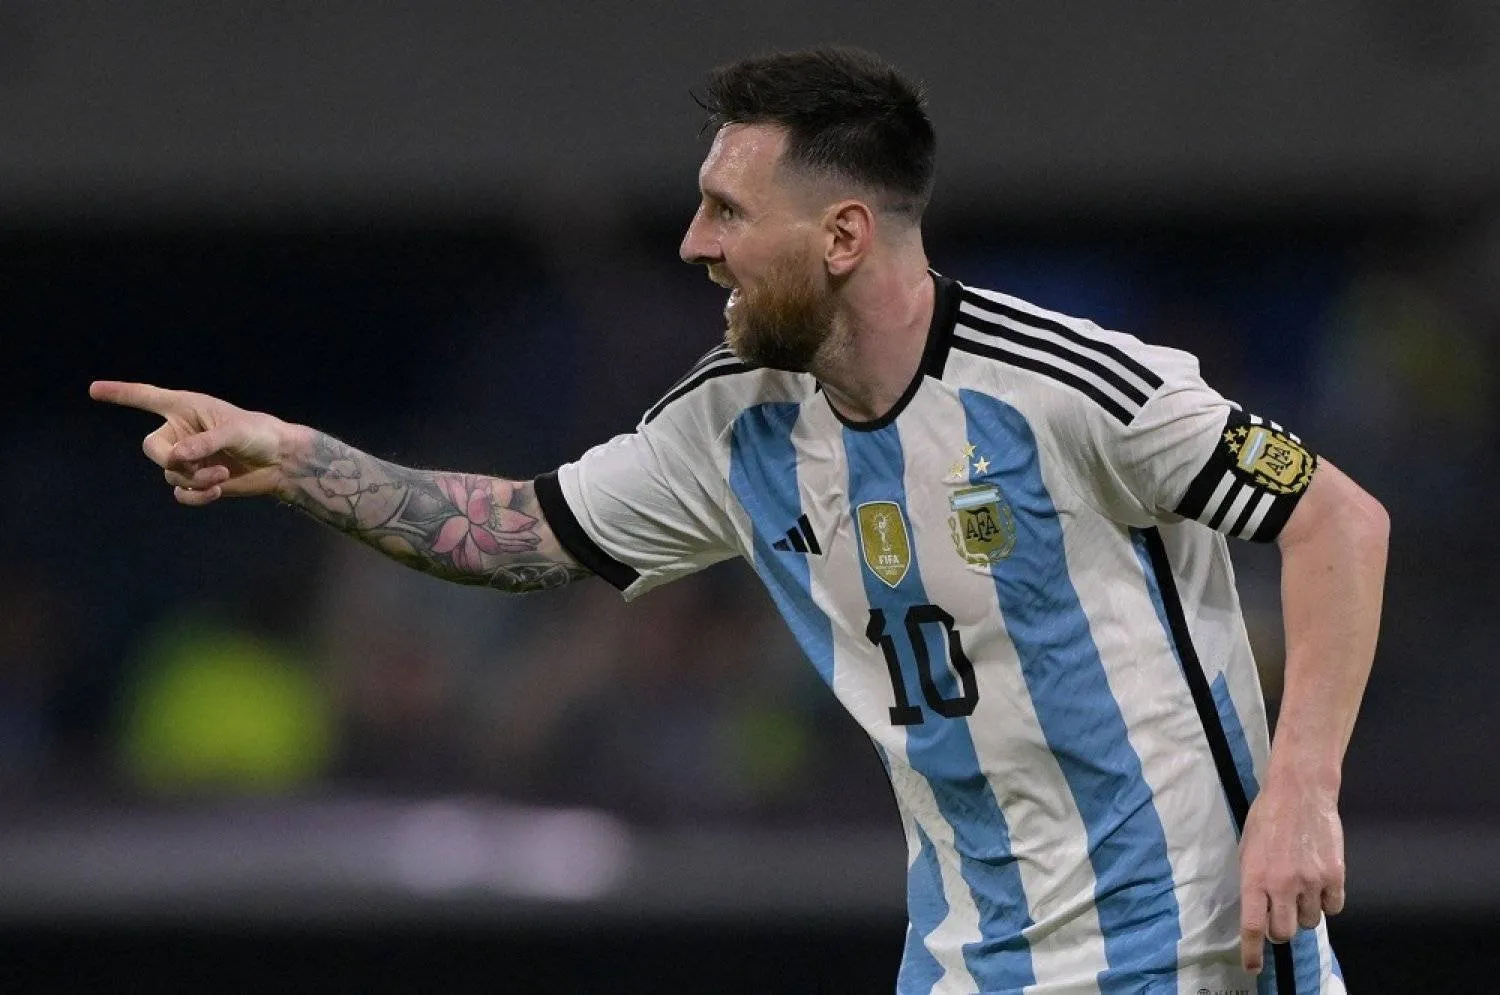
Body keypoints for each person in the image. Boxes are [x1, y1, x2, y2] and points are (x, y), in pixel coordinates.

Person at [92, 46, 1387, 995]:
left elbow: (1340, 520)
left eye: (725, 211)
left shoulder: (1074, 387)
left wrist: (1301, 798)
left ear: (840, 233)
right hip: (966, 965)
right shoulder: (734, 421)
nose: (691, 243)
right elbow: (514, 533)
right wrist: (295, 455)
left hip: (1202, 951)